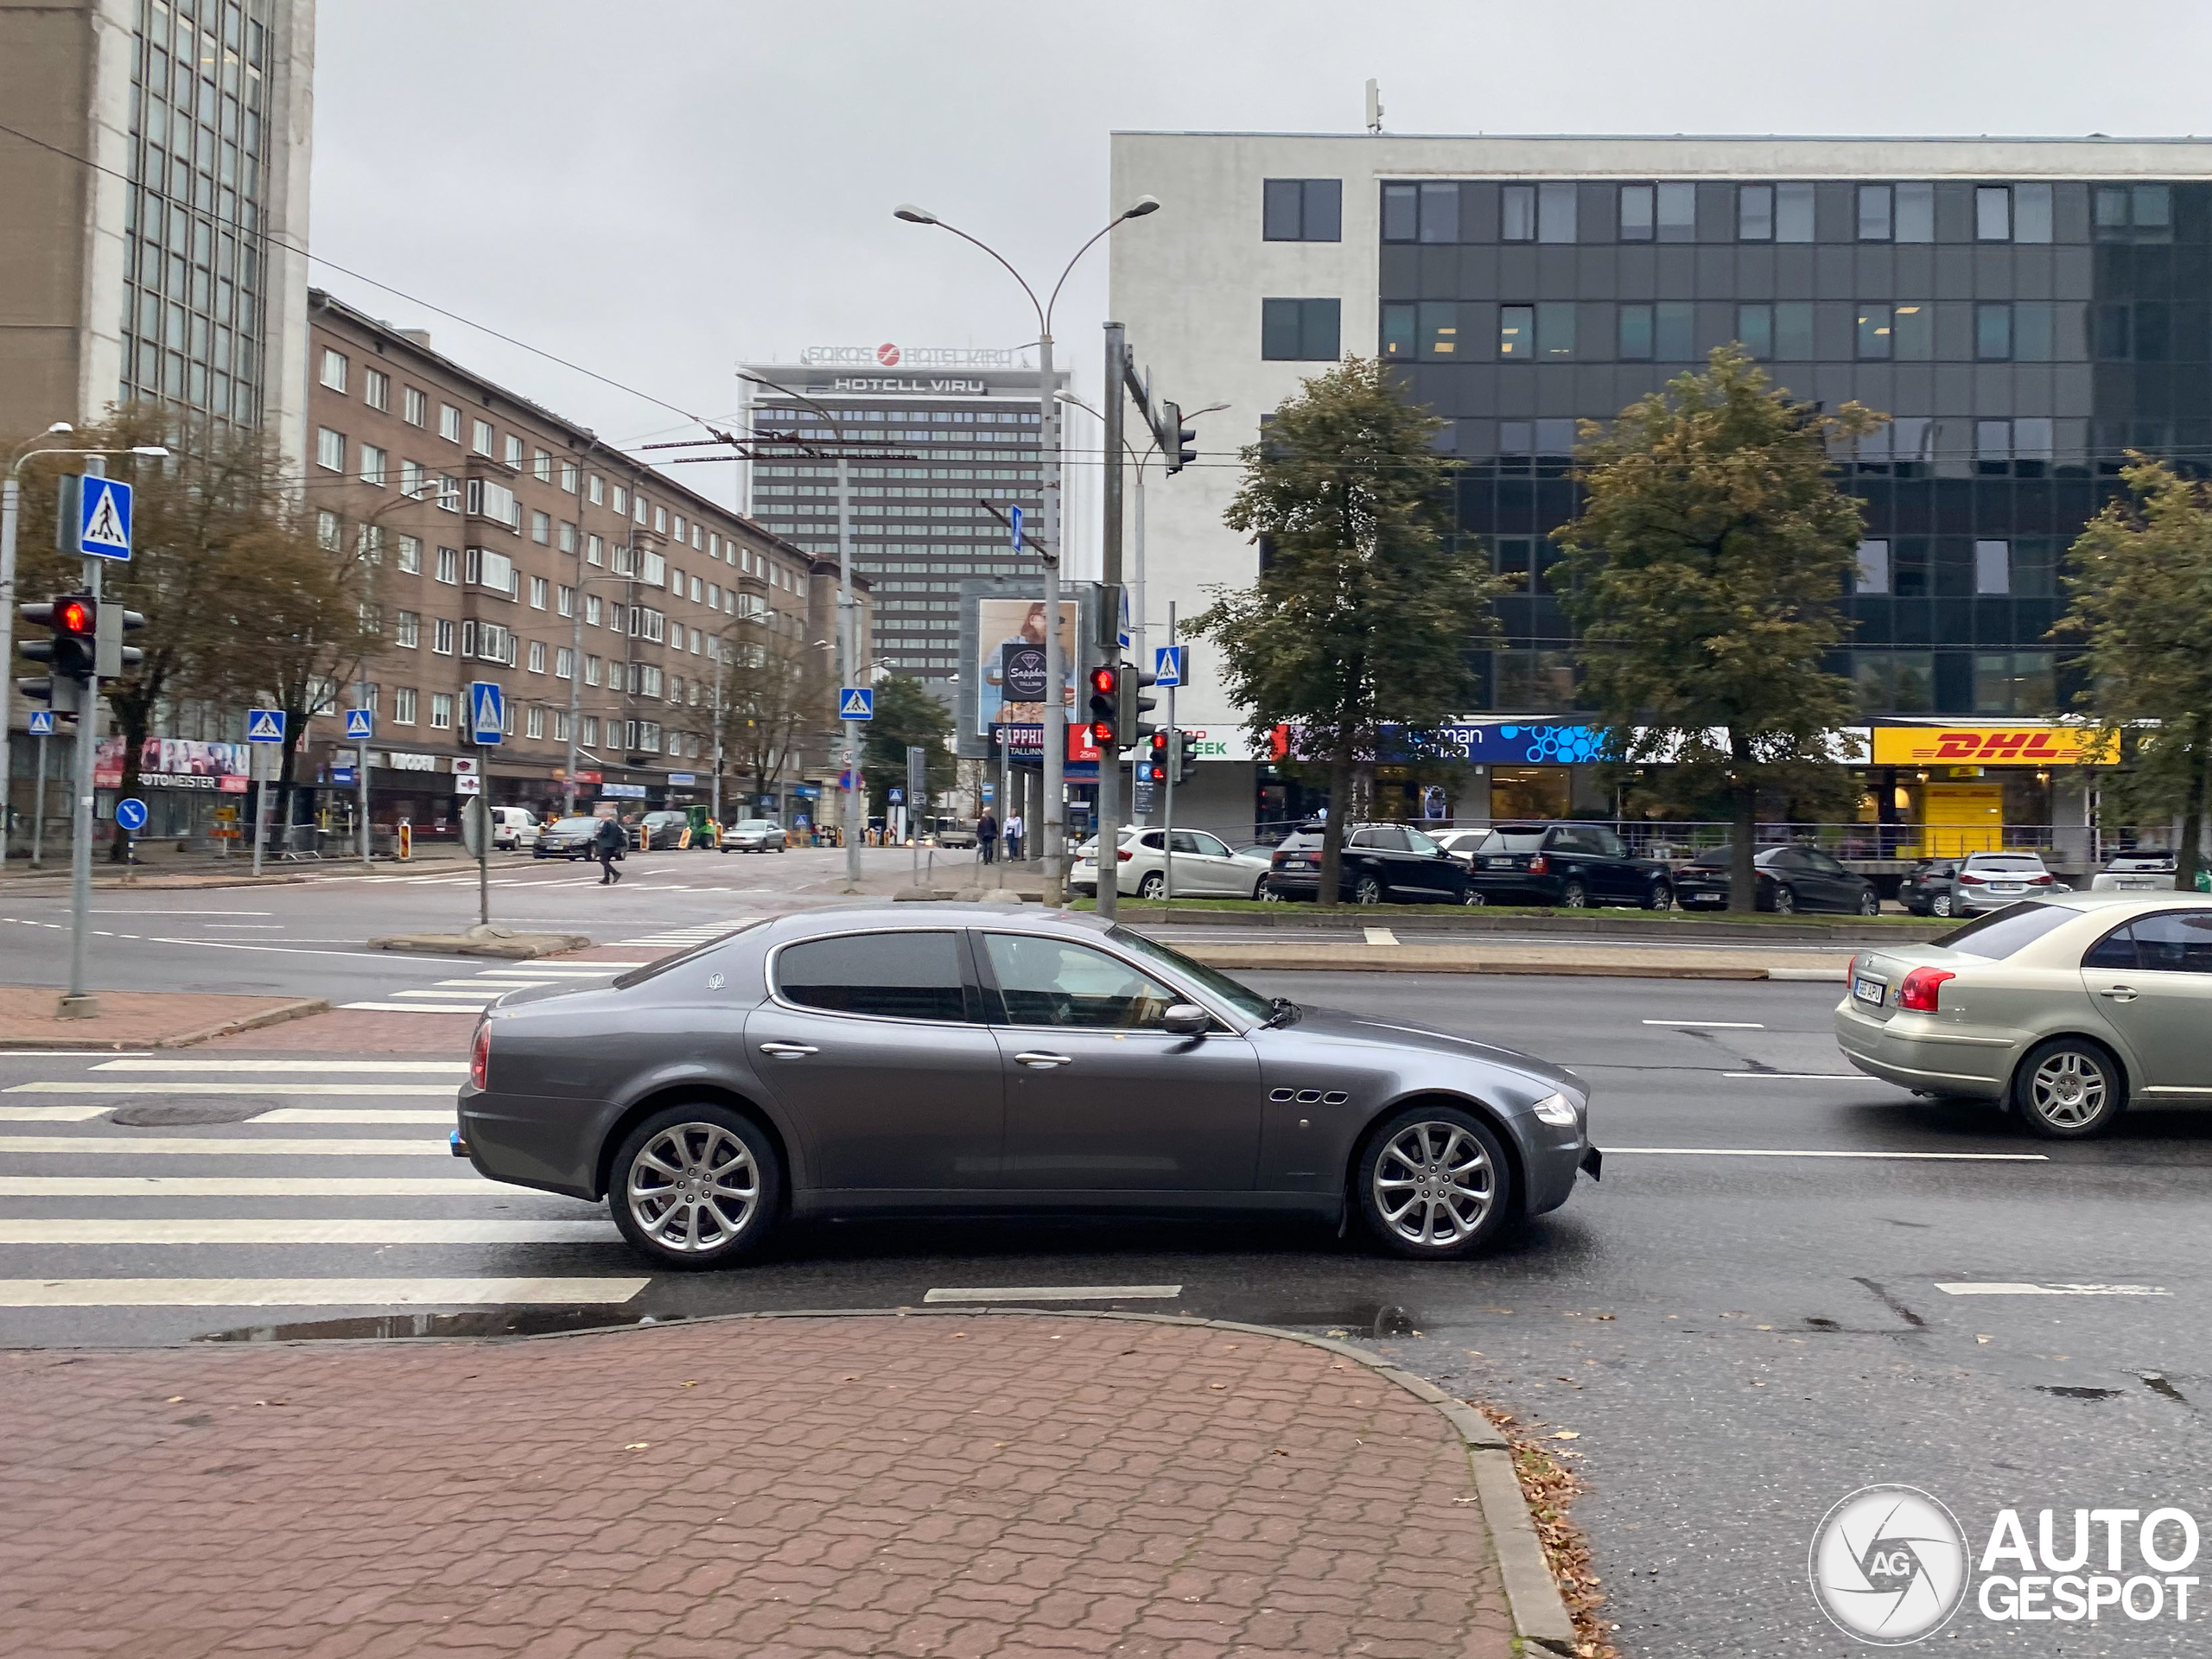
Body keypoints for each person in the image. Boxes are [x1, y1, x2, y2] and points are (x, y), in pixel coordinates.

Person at [591, 813, 625, 884]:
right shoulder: (615, 824)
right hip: (613, 845)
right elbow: (620, 833)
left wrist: (598, 834)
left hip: (606, 845)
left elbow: (604, 833)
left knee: (603, 861)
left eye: (602, 817)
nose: (602, 818)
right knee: (606, 861)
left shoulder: (607, 823)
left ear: (606, 817)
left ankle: (616, 873)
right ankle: (606, 878)